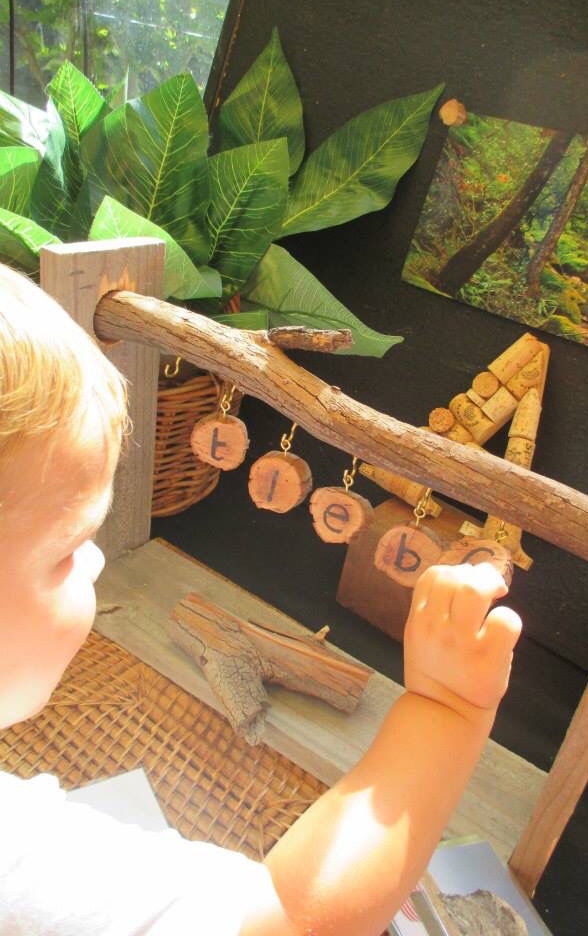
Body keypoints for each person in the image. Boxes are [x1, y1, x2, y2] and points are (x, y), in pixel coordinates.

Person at [0, 264, 522, 936]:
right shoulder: (26, 872)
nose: (97, 559)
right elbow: (292, 920)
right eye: (67, 550)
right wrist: (446, 710)